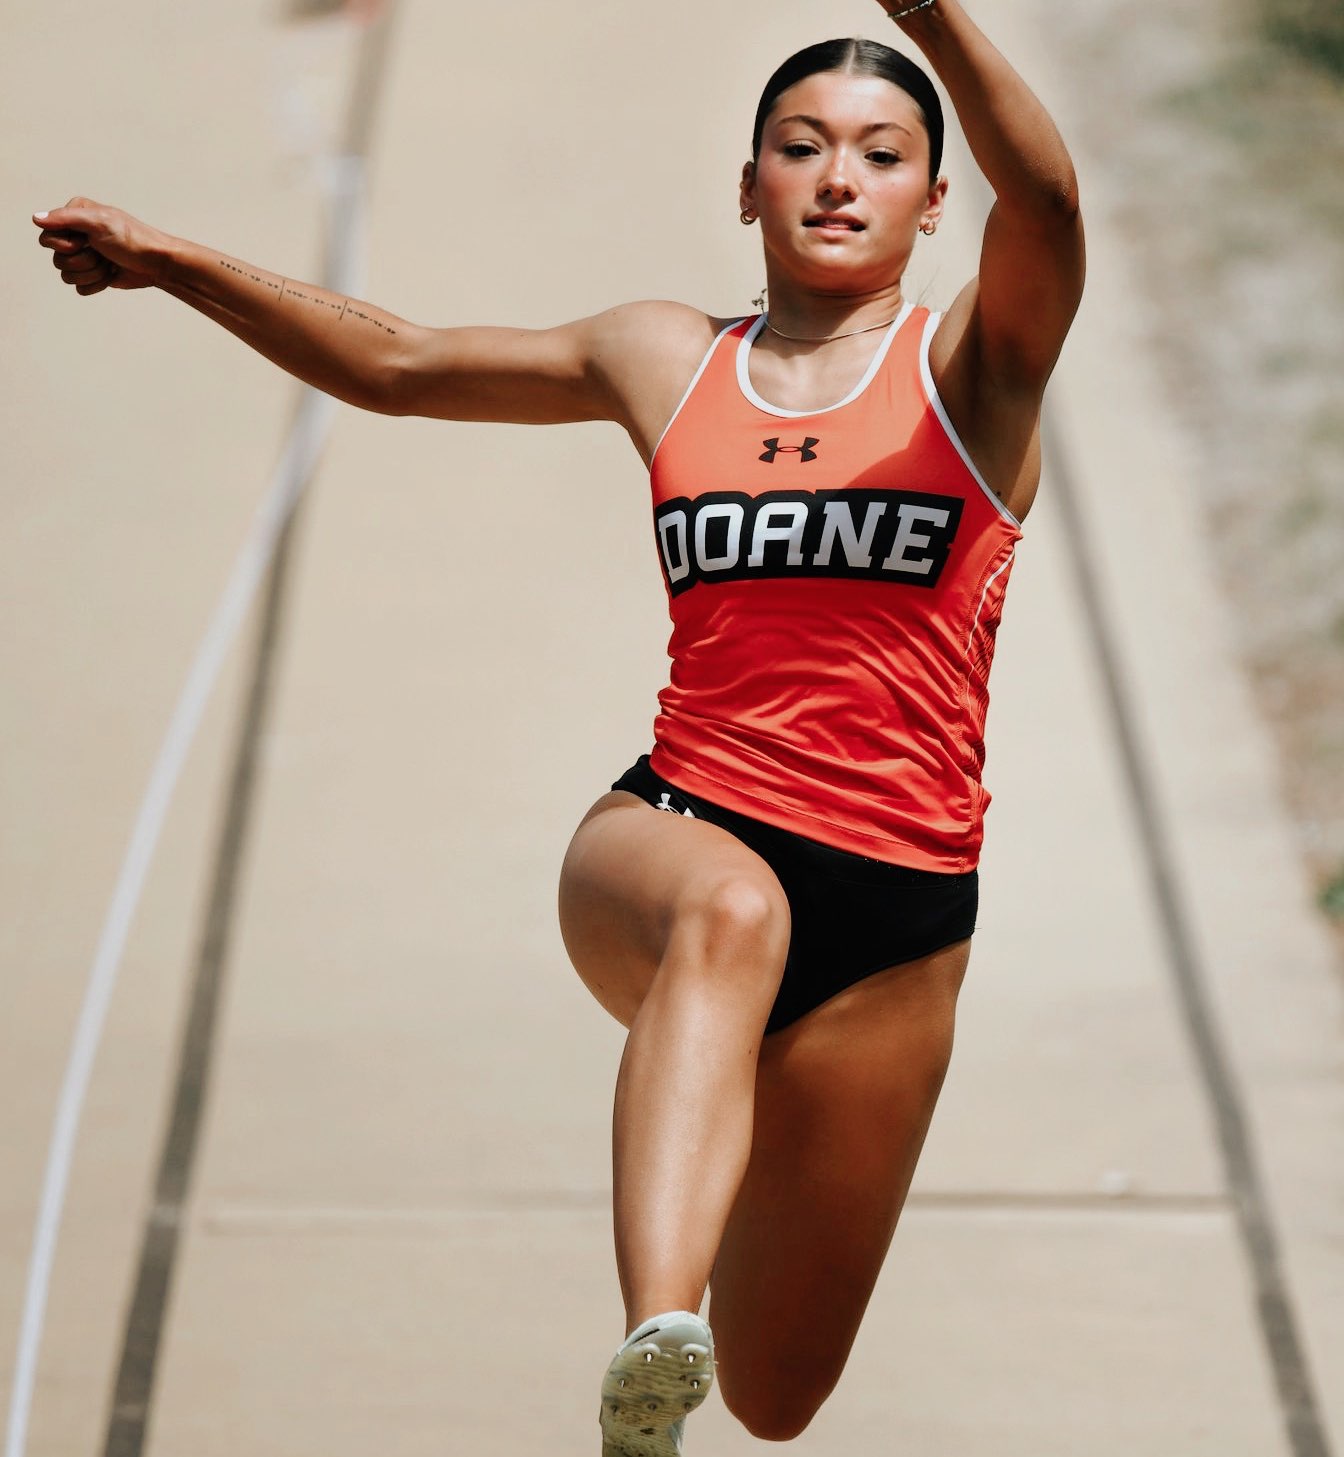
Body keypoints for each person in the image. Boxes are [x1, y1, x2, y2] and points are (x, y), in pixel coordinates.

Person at [35, 0, 1083, 1448]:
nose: (839, 177)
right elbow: (397, 361)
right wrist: (173, 262)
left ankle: (703, 1368)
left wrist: (935, 20)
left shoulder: (977, 369)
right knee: (731, 912)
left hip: (898, 912)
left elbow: (1053, 198)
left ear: (931, 199)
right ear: (748, 184)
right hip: (678, 829)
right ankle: (651, 1353)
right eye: (802, 146)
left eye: (881, 153)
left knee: (780, 1394)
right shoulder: (665, 359)